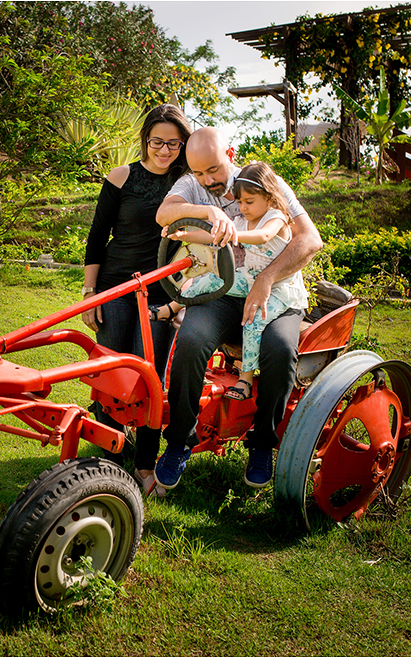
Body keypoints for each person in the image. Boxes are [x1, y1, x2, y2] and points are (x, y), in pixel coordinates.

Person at [154, 127, 323, 489]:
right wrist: (206, 213)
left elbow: (310, 239)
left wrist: (267, 278)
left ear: (229, 155)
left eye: (213, 170)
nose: (207, 180)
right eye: (198, 172)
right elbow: (164, 213)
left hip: (275, 293)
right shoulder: (193, 184)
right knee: (192, 339)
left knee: (280, 349)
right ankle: (179, 442)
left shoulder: (262, 183)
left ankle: (261, 444)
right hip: (227, 291)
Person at [81, 104, 193, 497]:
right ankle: (107, 457)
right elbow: (97, 238)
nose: (164, 150)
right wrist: (90, 293)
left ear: (184, 145)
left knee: (149, 378)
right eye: (157, 141)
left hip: (160, 292)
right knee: (111, 375)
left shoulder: (187, 184)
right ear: (145, 139)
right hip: (114, 286)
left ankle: (145, 464)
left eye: (174, 144)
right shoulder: (121, 176)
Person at [161, 161, 310, 402]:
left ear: (269, 198)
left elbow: (263, 236)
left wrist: (232, 235)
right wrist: (184, 235)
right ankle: (173, 307)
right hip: (249, 279)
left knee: (251, 322)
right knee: (212, 280)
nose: (243, 207)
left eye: (249, 202)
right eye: (240, 202)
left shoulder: (277, 217)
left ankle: (245, 379)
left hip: (278, 289)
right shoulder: (242, 220)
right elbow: (211, 235)